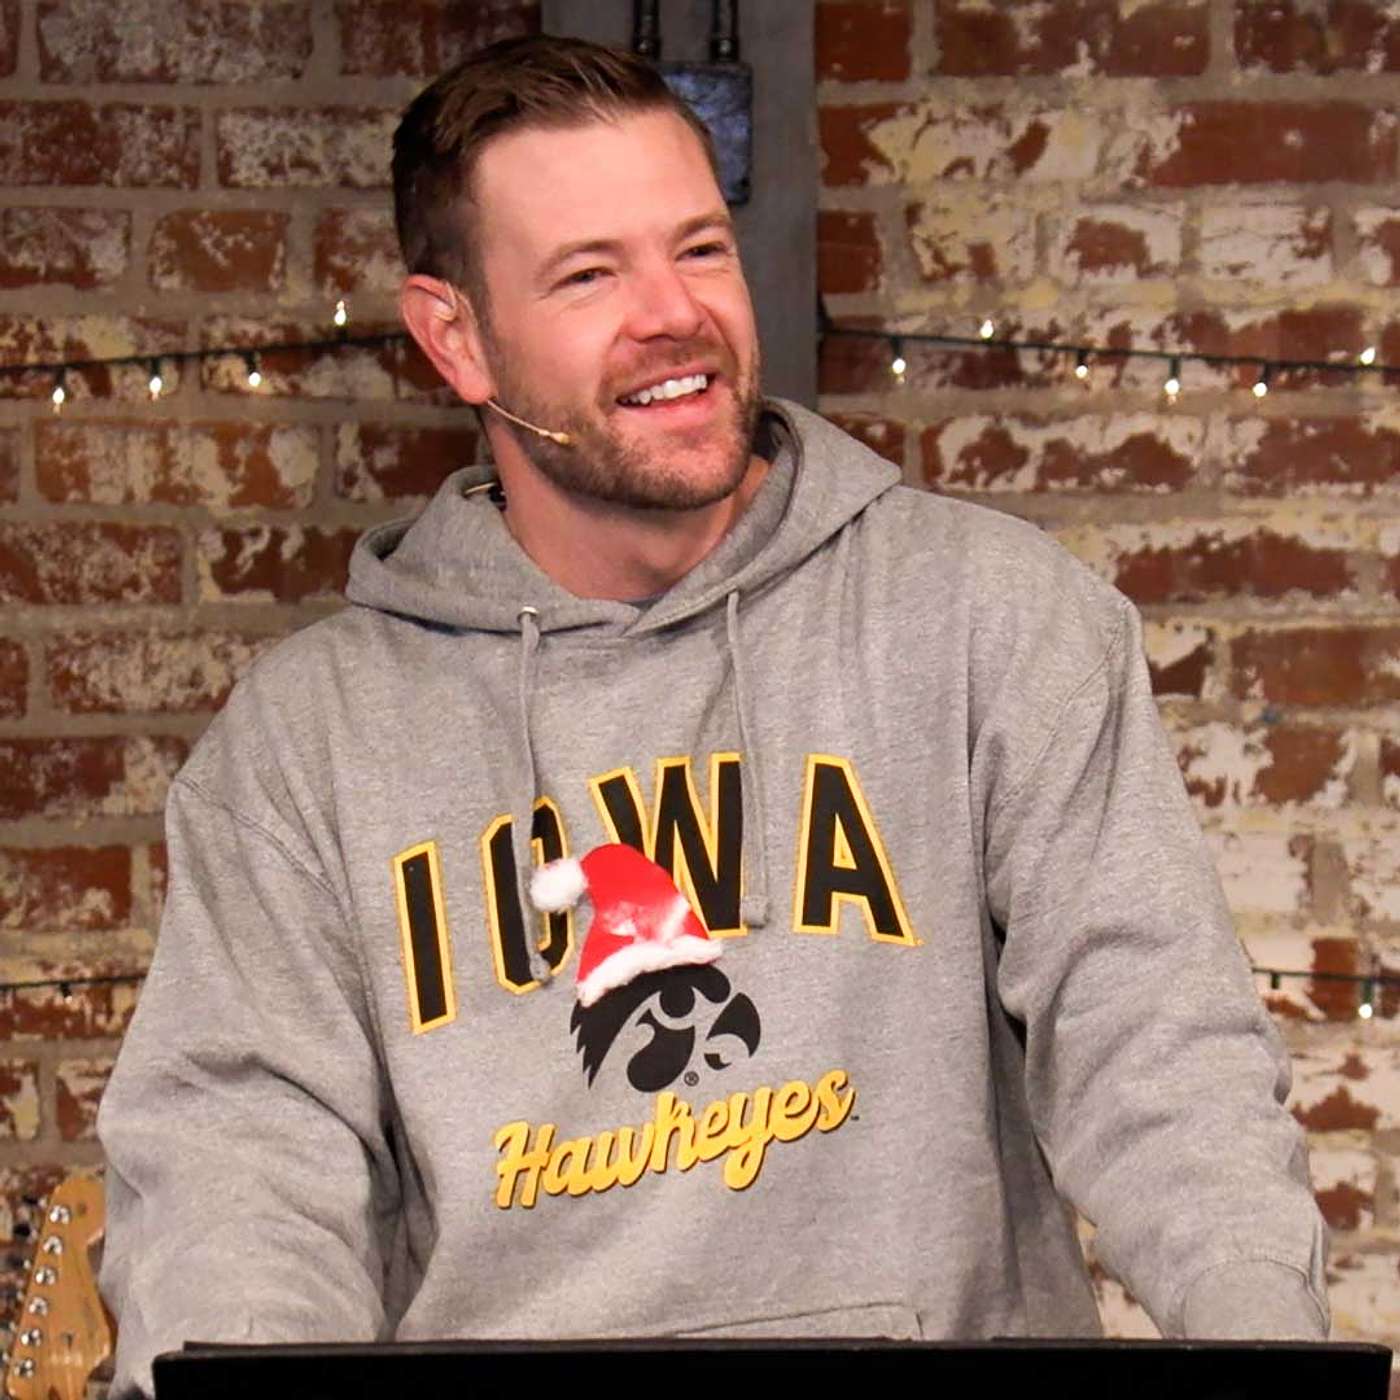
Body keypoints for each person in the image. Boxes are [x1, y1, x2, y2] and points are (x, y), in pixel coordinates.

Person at [97, 33, 1329, 1398]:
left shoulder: (991, 621)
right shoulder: (304, 750)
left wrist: (1269, 1352)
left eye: (697, 249)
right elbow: (239, 1176)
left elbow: (1160, 1054)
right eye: (588, 274)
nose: (672, 314)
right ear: (456, 336)